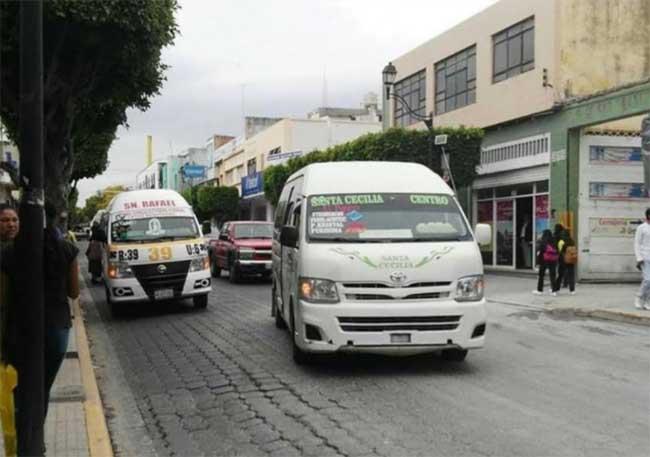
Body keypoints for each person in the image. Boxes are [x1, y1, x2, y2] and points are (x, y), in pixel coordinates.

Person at [534, 229, 560, 296]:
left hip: (544, 260)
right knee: (552, 275)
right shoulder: (554, 241)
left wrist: (538, 262)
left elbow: (540, 253)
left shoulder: (543, 242)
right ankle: (554, 291)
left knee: (541, 275)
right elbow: (557, 251)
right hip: (553, 260)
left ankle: (539, 290)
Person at [634, 208, 650, 310]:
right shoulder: (641, 227)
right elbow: (637, 243)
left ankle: (647, 301)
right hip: (645, 257)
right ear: (648, 216)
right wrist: (639, 258)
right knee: (648, 280)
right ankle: (639, 297)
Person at [559, 229, 577, 294]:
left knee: (562, 273)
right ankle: (572, 290)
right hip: (571, 259)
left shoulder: (563, 241)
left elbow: (562, 251)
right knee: (571, 274)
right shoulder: (572, 241)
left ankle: (561, 286)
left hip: (565, 259)